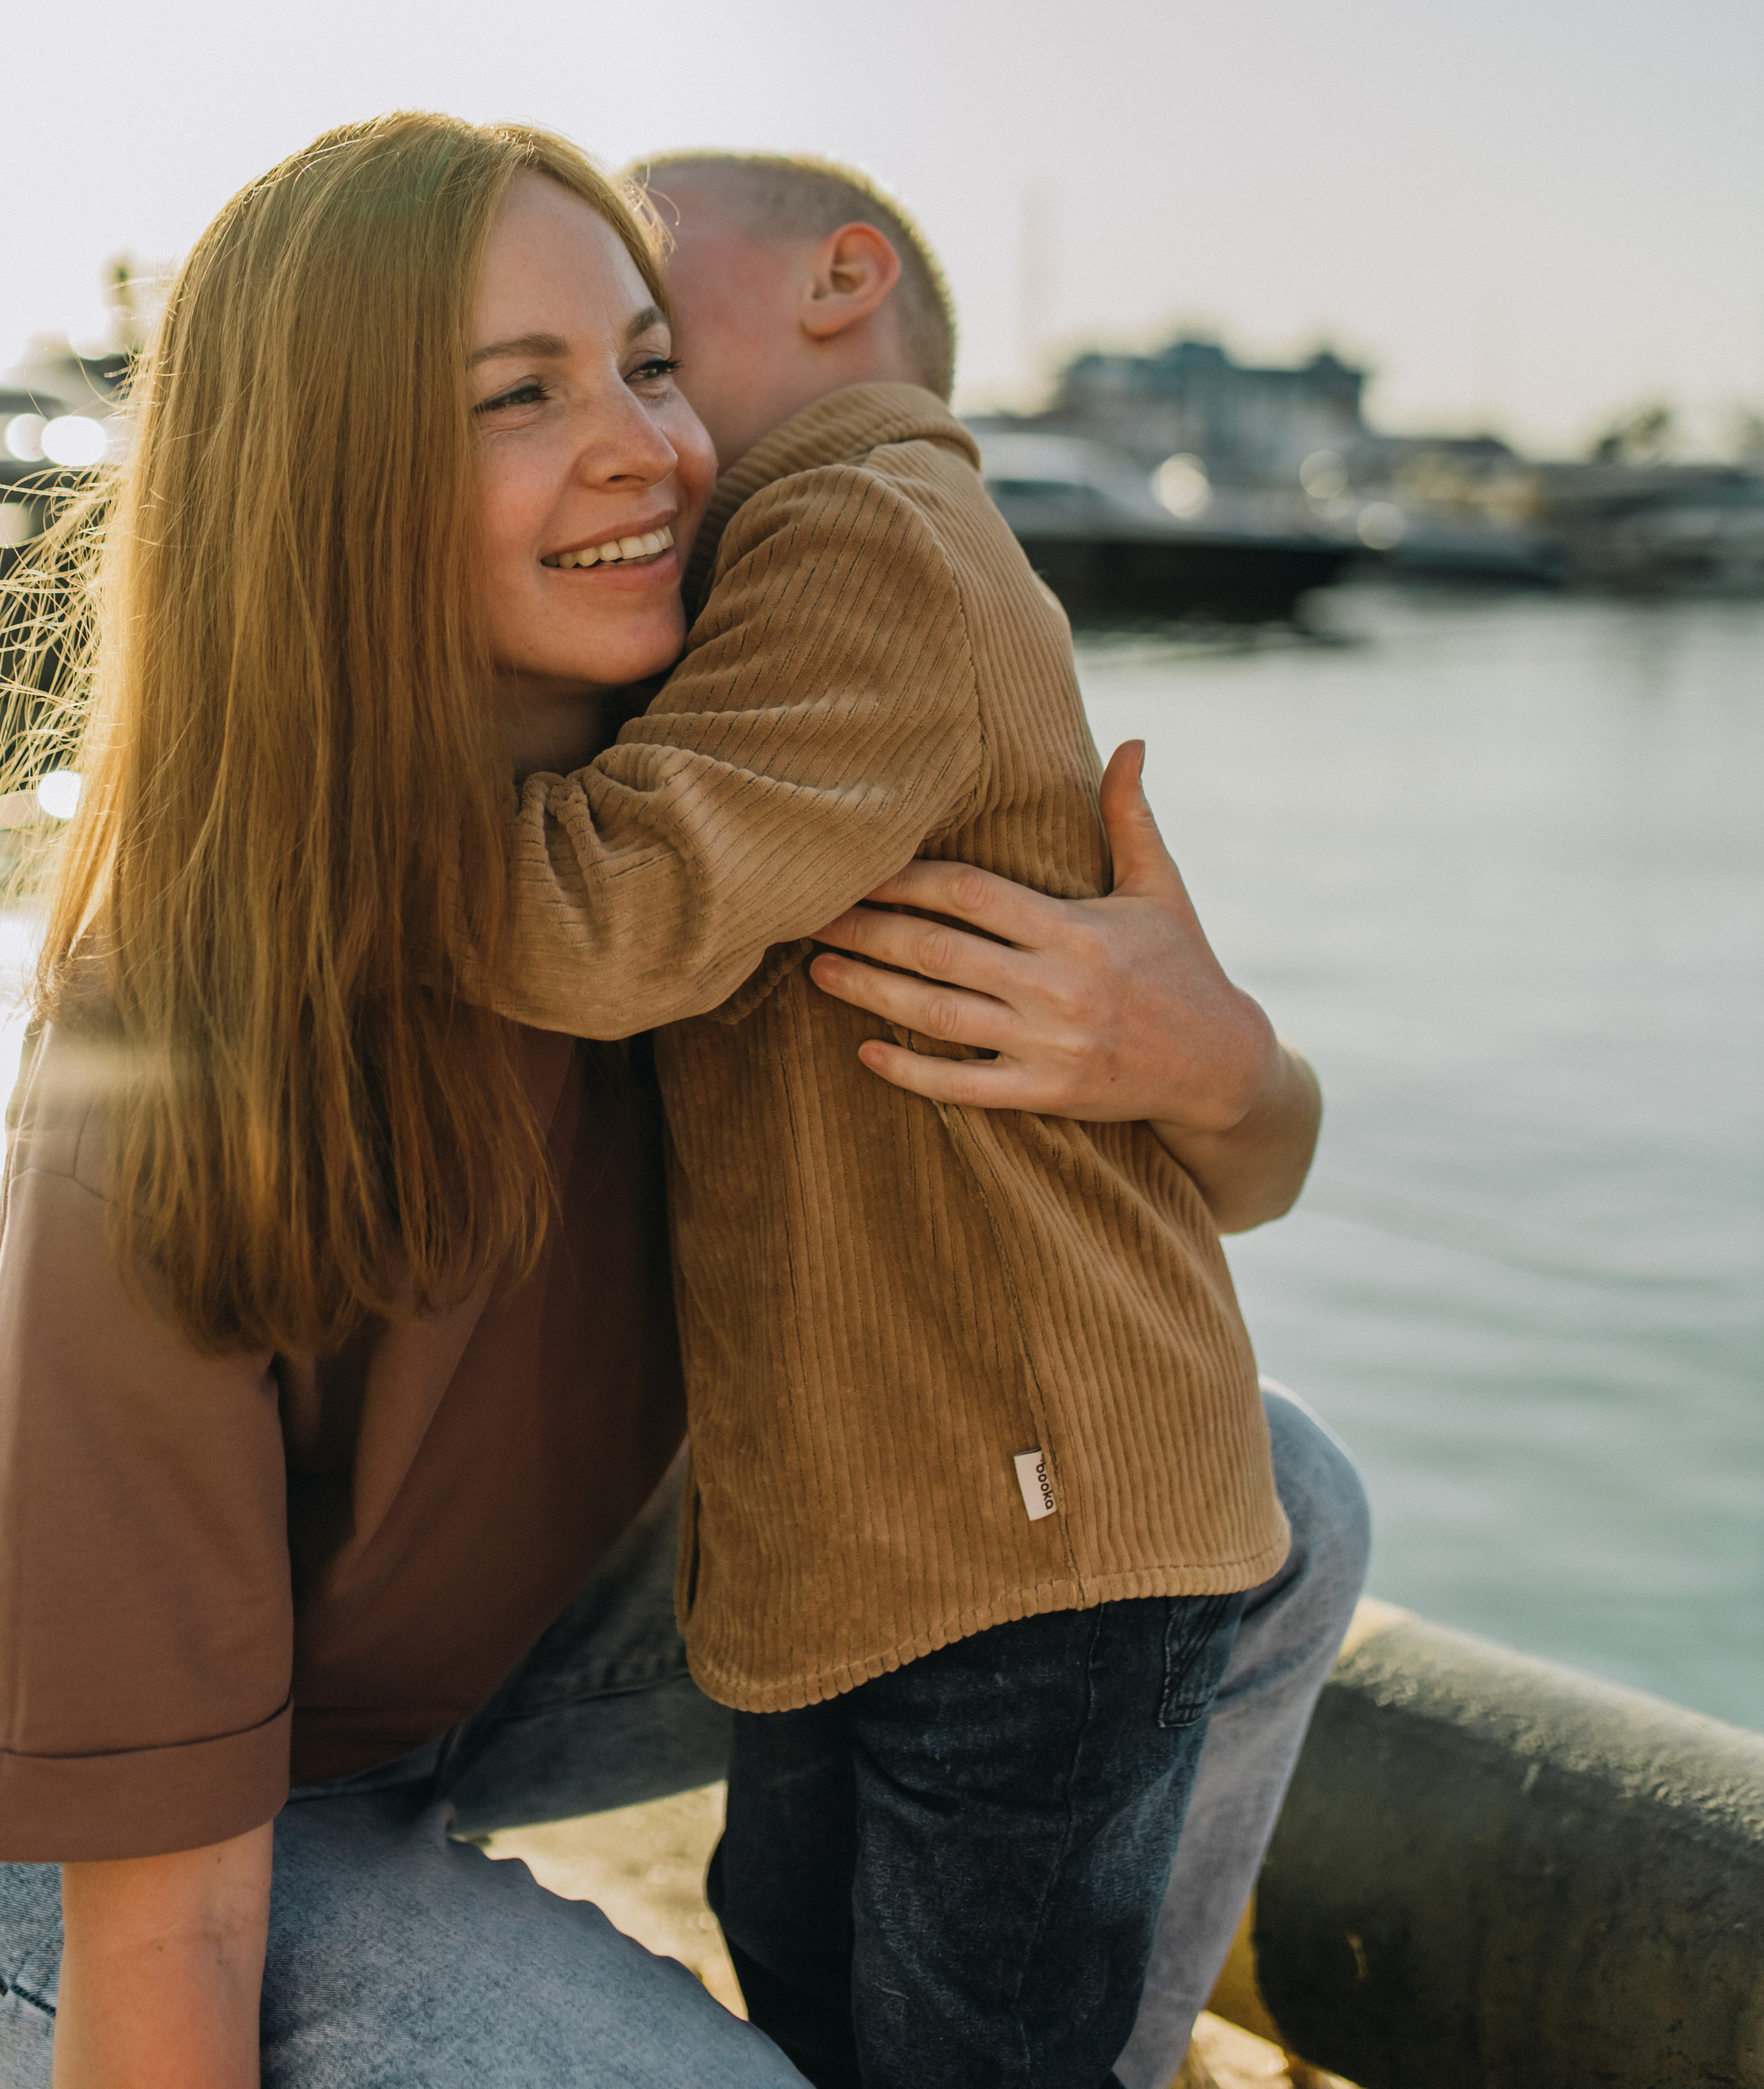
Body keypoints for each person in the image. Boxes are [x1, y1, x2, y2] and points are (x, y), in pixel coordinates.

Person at [0, 114, 1362, 2089]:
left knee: (1266, 1498)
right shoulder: (188, 1010)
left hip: (488, 1649)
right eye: (518, 398)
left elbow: (1219, 1185)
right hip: (89, 1823)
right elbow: (169, 1910)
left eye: (651, 363)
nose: (651, 445)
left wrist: (1221, 1063)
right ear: (326, 486)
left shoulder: (733, 786)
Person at [480, 146, 1360, 2088]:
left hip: (1022, 1516)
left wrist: (302, 779)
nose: (613, 364)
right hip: (904, 1514)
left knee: (967, 2036)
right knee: (809, 1969)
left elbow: (613, 913)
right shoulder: (779, 566)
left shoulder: (860, 530)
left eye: (641, 300)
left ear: (837, 280)